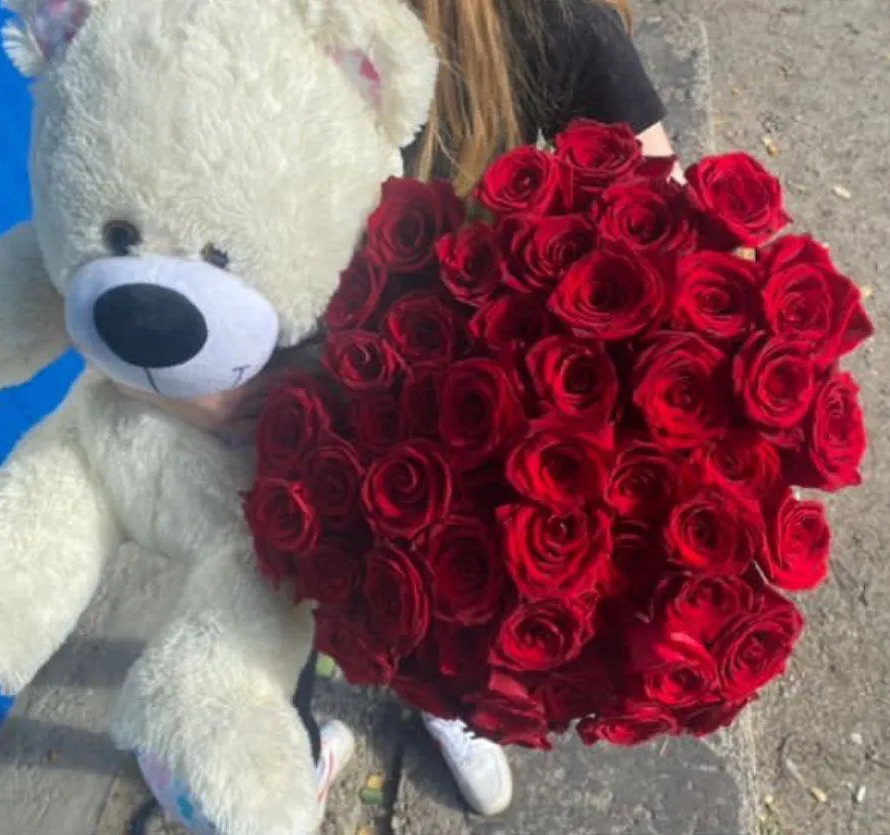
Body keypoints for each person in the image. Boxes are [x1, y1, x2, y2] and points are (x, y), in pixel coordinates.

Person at [157, 0, 677, 821]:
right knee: (282, 600)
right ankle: (292, 746)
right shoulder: (234, 23)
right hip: (281, 396)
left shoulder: (538, 20)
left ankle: (438, 689)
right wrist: (182, 386)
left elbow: (666, 220)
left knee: (425, 588)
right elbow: (120, 216)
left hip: (455, 406)